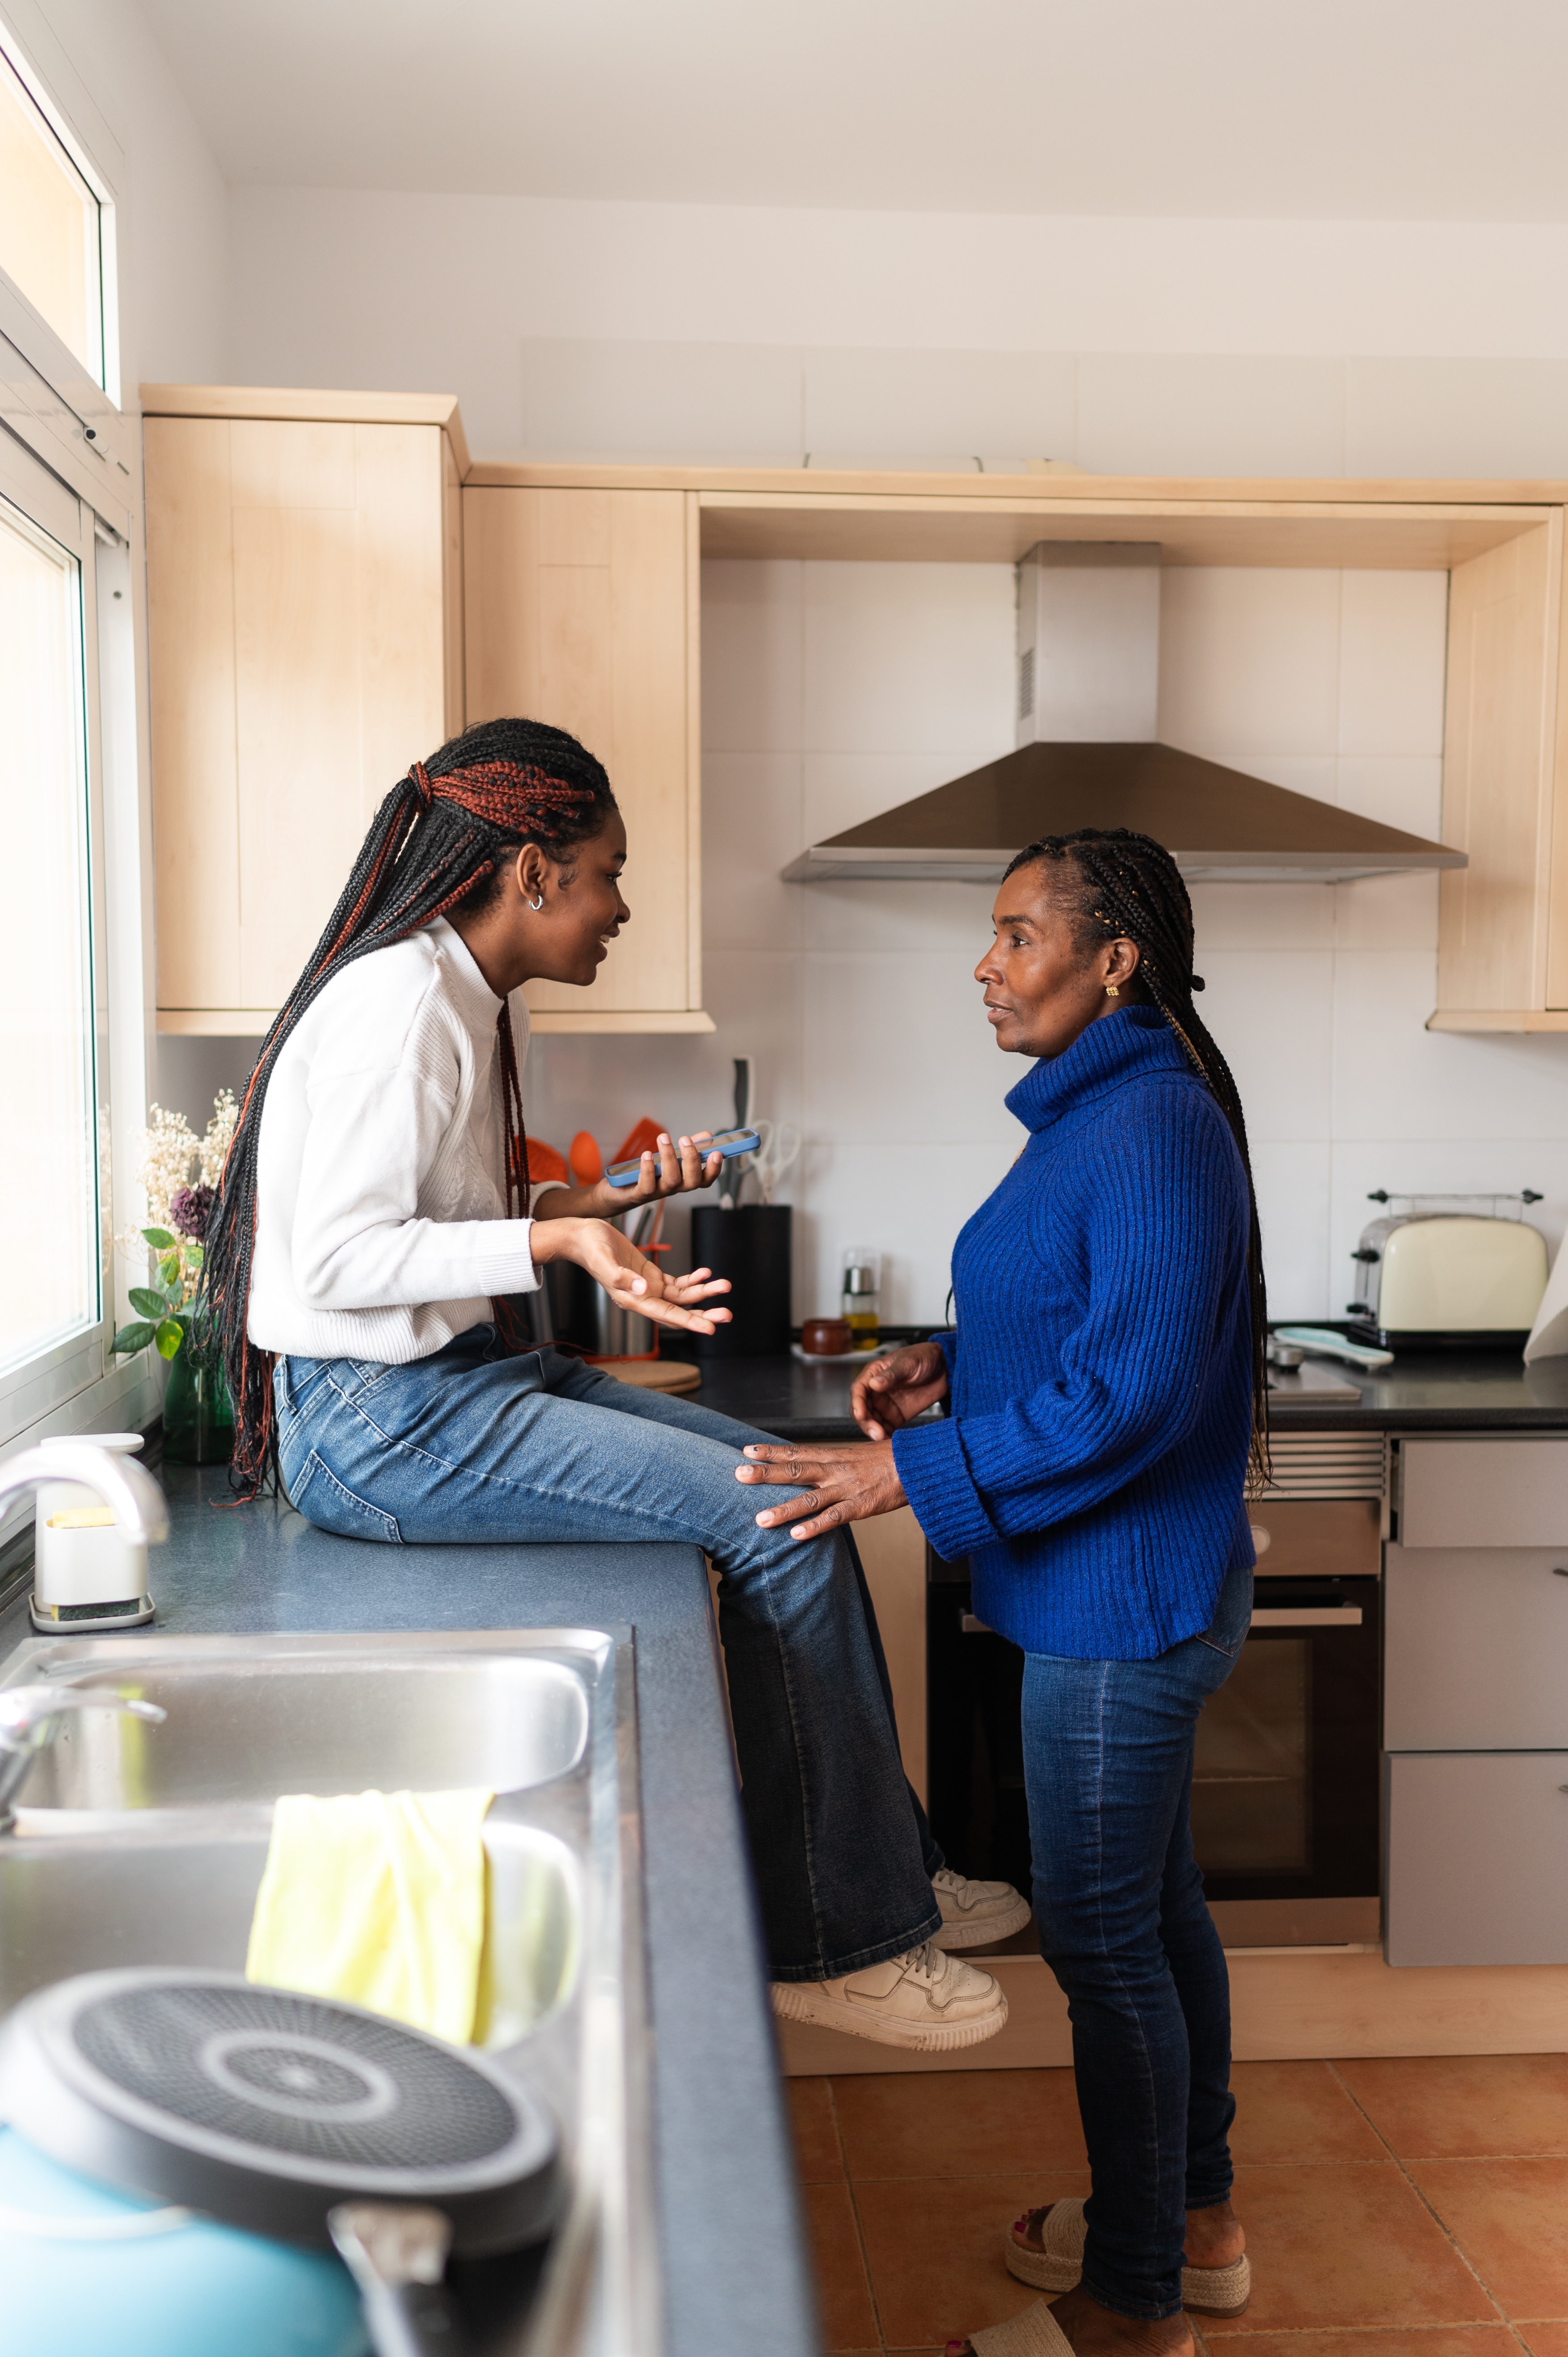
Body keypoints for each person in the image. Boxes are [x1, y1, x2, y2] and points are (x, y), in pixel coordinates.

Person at [201, 713, 1028, 2050]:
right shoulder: (403, 1004)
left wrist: (607, 1195)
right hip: (383, 1423)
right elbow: (337, 1257)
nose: (622, 905)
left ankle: (877, 1866)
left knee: (784, 1476)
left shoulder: (447, 992)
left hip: (443, 1387)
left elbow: (436, 1213)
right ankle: (835, 1941)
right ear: (530, 870)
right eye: (607, 872)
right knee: (783, 1521)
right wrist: (554, 1234)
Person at [736, 828, 1261, 2355]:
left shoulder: (1149, 1122)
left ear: (1115, 959)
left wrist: (909, 1474)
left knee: (1103, 1944)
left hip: (1123, 1604)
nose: (987, 961)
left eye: (1018, 933)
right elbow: (1088, 1325)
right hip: (1106, 1591)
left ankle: (1136, 2300)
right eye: (992, 933)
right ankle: (1194, 2221)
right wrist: (947, 1366)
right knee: (1153, 1918)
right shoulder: (1099, 1111)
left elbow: (1126, 1399)